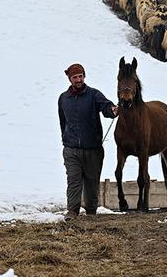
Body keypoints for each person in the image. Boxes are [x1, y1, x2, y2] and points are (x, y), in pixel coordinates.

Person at [58, 63, 117, 219]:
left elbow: (106, 107)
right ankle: (72, 211)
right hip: (71, 149)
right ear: (70, 79)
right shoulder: (64, 98)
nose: (78, 80)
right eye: (75, 77)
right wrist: (65, 139)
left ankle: (91, 211)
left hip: (93, 148)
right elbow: (62, 121)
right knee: (74, 180)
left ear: (84, 76)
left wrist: (112, 110)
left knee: (92, 182)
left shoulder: (94, 94)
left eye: (80, 76)